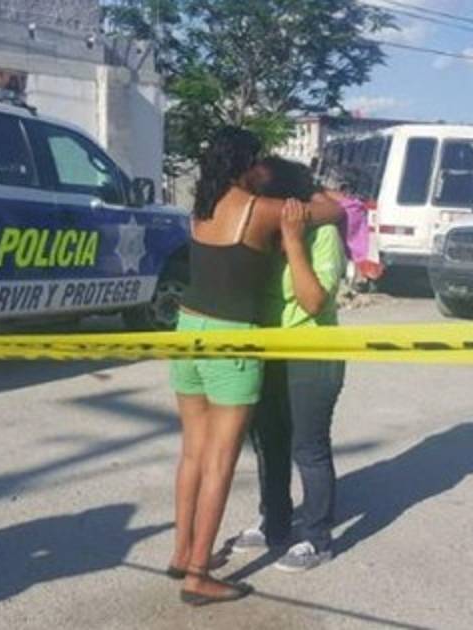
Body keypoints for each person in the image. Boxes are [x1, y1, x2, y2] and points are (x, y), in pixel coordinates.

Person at [168, 129, 341, 606]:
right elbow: (334, 211)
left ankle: (181, 554)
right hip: (231, 337)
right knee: (220, 460)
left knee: (192, 454)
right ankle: (198, 575)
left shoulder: (201, 208)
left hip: (187, 328)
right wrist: (307, 192)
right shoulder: (262, 210)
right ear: (246, 163)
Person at [227, 157, 348, 572]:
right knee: (269, 442)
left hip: (312, 351)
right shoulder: (262, 231)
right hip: (268, 349)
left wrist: (295, 241)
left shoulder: (322, 233)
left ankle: (317, 536)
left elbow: (313, 301)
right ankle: (274, 521)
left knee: (308, 447)